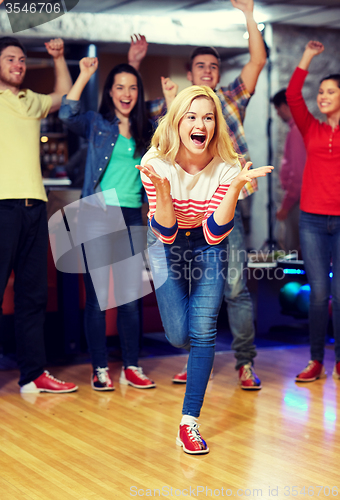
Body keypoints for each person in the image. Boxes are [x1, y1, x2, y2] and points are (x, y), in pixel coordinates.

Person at [129, 0, 267, 390]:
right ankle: (199, 354)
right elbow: (135, 112)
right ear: (190, 74)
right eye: (201, 67)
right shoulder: (179, 107)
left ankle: (243, 362)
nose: (209, 71)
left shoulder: (230, 99)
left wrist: (249, 16)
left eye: (214, 66)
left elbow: (256, 62)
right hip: (179, 213)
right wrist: (135, 67)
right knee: (186, 296)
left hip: (228, 204)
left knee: (235, 286)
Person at [137, 85, 273, 454]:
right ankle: (188, 354)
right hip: (165, 242)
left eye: (209, 117)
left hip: (207, 242)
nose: (201, 124)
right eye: (192, 116)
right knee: (180, 335)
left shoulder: (227, 166)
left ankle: (189, 423)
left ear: (216, 124)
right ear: (178, 122)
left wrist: (234, 187)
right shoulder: (155, 162)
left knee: (204, 329)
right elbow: (164, 232)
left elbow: (215, 233)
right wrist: (164, 194)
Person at [59, 58, 155, 391]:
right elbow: (66, 113)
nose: (126, 94)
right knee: (99, 298)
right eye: (119, 88)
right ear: (110, 93)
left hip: (131, 215)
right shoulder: (98, 124)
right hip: (97, 214)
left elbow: (175, 137)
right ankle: (99, 367)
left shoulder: (148, 130)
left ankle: (132, 365)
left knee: (130, 298)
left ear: (138, 93)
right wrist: (84, 74)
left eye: (132, 87)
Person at [0, 36, 78, 393]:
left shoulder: (30, 100)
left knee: (33, 295)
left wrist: (59, 57)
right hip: (2, 206)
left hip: (34, 205)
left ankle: (32, 375)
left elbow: (63, 94)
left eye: (21, 59)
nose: (18, 64)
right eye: (10, 59)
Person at [286, 41, 340, 383]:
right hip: (312, 221)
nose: (322, 96)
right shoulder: (312, 128)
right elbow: (293, 95)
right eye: (321, 91)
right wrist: (306, 57)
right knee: (319, 294)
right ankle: (316, 360)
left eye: (330, 92)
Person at [271, 89, 306, 254]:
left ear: (285, 106)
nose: (278, 114)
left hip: (298, 202)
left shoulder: (297, 131)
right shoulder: (298, 129)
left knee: (295, 251)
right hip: (298, 200)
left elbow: (299, 175)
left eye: (278, 110)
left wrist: (285, 206)